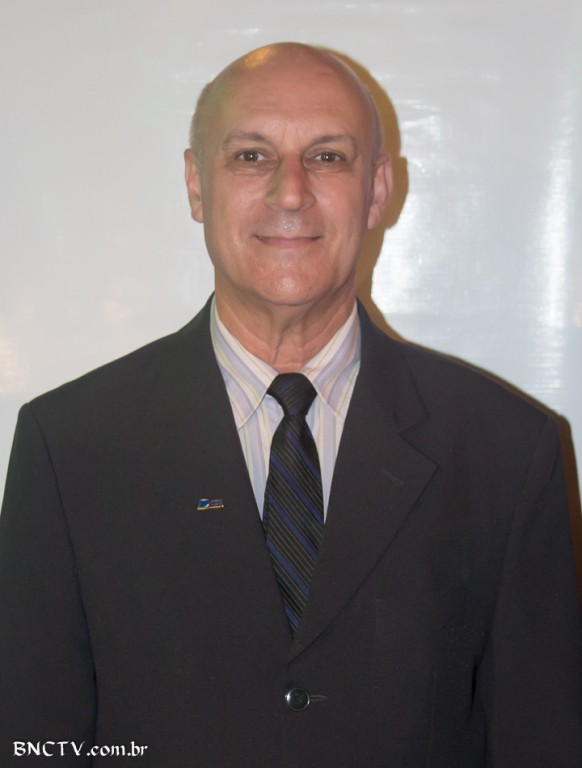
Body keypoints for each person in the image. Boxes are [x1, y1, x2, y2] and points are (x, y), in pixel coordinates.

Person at [0, 42, 581, 767]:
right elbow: (34, 742)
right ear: (196, 186)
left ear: (377, 189)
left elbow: (541, 741)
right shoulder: (69, 447)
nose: (290, 192)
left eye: (327, 157)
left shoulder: (507, 451)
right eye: (251, 156)